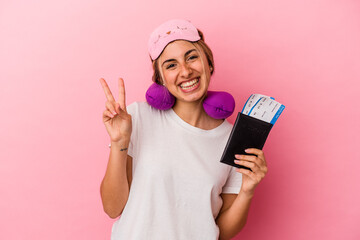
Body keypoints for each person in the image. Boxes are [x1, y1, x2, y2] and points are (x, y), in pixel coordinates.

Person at [99, 19, 268, 240]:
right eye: (171, 65)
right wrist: (120, 143)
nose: (186, 71)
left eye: (192, 57)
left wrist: (247, 189)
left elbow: (221, 232)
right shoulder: (137, 118)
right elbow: (112, 208)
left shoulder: (234, 139)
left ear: (209, 63)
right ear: (161, 79)